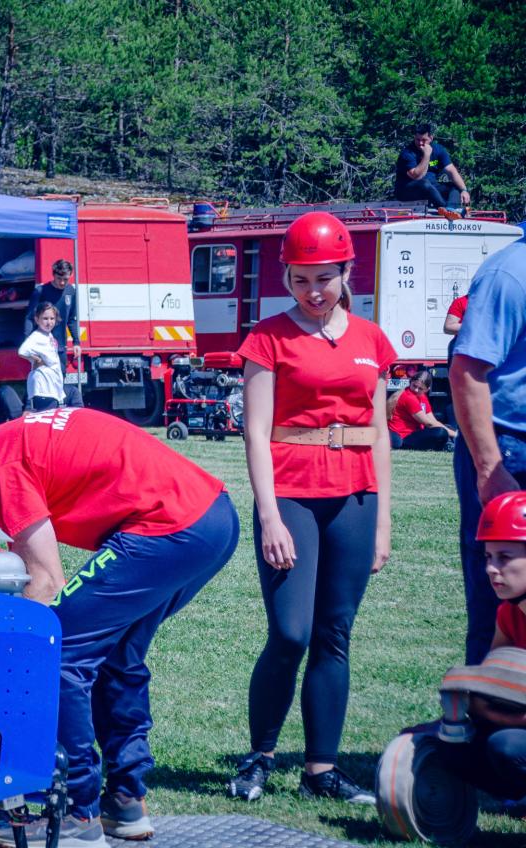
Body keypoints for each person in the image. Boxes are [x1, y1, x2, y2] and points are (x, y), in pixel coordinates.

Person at [0, 403, 238, 846]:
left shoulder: (1, 461)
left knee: (57, 652)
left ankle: (78, 812)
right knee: (116, 653)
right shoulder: (13, 439)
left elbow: (45, 582)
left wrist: (1, 648)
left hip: (169, 526)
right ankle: (126, 801)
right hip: (213, 518)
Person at [227, 211, 395, 805]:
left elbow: (380, 434)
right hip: (292, 495)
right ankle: (259, 757)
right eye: (300, 280)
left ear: (347, 271)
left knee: (334, 634)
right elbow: (255, 433)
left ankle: (321, 770)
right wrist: (269, 515)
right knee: (291, 633)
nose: (313, 291)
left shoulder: (372, 341)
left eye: (324, 278)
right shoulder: (268, 337)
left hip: (354, 497)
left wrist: (383, 522)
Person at [449, 227, 526, 664]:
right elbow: (467, 372)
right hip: (509, 450)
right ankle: (489, 699)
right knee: (499, 604)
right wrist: (489, 468)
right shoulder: (510, 273)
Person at [437, 490, 526, 801]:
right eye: (489, 557)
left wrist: (490, 712)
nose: (491, 568)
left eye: (505, 557)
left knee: (506, 747)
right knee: (449, 747)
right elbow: (491, 687)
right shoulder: (508, 614)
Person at [24, 259, 82, 406]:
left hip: (60, 347)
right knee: (41, 382)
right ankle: (33, 410)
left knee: (58, 382)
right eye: (59, 278)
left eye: (65, 279)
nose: (62, 282)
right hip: (43, 347)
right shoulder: (41, 291)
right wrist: (28, 341)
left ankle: (57, 412)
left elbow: (72, 319)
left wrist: (76, 342)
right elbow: (30, 318)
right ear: (53, 275)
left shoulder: (71, 291)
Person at [393, 122, 472, 220]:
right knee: (425, 183)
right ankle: (446, 211)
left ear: (431, 138)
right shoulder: (407, 153)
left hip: (431, 188)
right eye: (418, 140)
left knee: (455, 187)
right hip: (406, 190)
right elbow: (417, 176)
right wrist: (426, 155)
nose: (420, 143)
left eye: (424, 140)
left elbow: (451, 170)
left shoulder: (438, 149)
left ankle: (451, 210)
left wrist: (464, 190)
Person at [388, 370, 456, 450]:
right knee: (441, 432)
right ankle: (449, 443)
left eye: (420, 388)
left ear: (427, 389)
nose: (416, 390)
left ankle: (450, 443)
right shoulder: (409, 397)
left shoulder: (422, 397)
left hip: (415, 432)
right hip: (404, 436)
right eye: (414, 386)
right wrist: (455, 434)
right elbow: (429, 423)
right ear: (410, 382)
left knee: (446, 427)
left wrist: (450, 431)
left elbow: (432, 420)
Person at [19, 301, 66, 411]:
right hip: (43, 387)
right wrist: (36, 359)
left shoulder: (49, 335)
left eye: (52, 318)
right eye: (45, 319)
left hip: (51, 387)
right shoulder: (36, 336)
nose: (49, 322)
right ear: (37, 319)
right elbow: (22, 351)